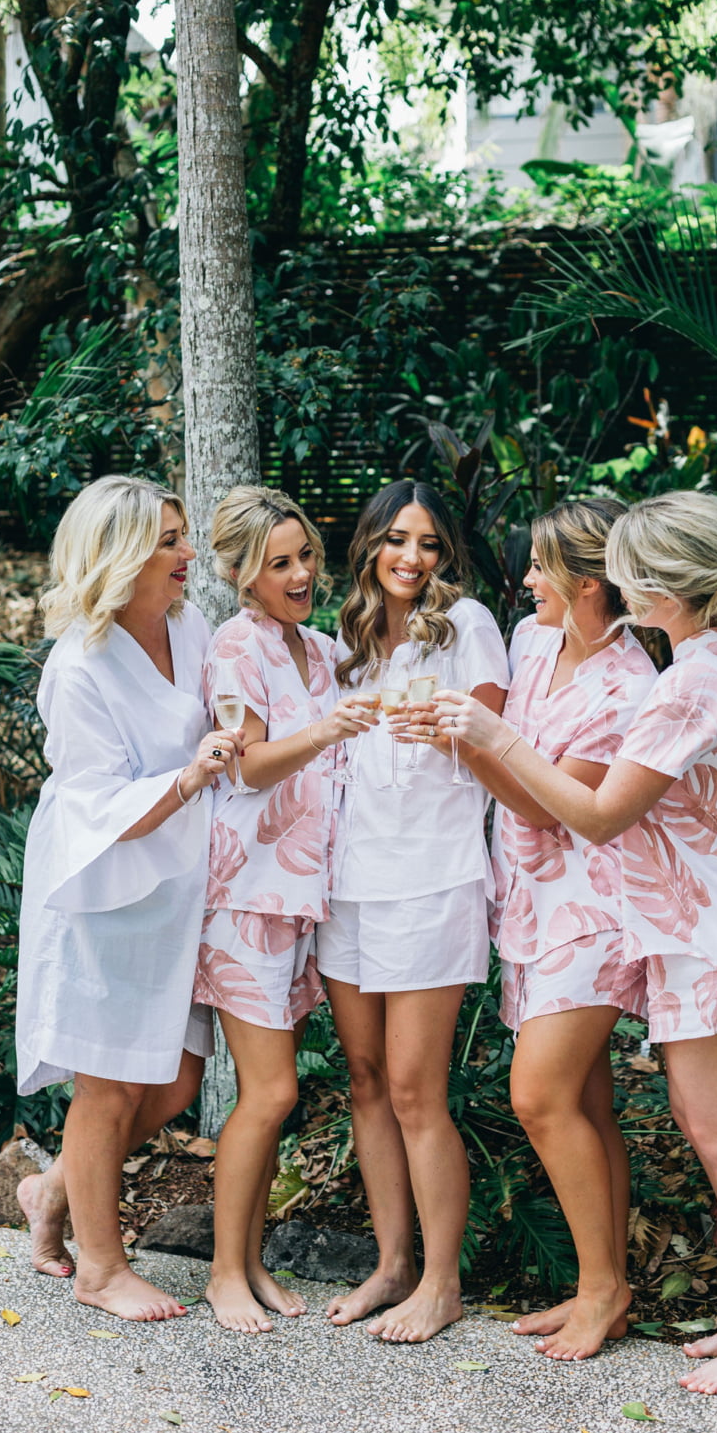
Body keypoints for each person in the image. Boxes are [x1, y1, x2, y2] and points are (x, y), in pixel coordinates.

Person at [436, 490, 717, 1395]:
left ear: (666, 586)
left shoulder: (690, 682)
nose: (621, 582)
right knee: (714, 1127)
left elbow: (599, 816)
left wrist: (495, 737)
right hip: (712, 916)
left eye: (633, 571)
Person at [415, 499, 658, 1361]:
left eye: (540, 567)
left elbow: (551, 807)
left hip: (593, 912)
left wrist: (473, 742)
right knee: (586, 1100)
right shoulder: (530, 640)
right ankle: (607, 1287)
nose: (523, 580)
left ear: (588, 583)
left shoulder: (630, 687)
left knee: (539, 1094)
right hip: (528, 902)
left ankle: (601, 1289)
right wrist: (458, 735)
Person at [15, 475, 241, 1322]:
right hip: (105, 888)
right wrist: (188, 779)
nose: (188, 553)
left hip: (180, 885)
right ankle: (101, 1269)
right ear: (120, 555)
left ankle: (50, 1189)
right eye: (169, 540)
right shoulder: (80, 664)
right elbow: (94, 804)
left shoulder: (190, 625)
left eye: (183, 535)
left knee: (176, 1081)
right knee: (107, 1086)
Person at [316, 480, 509, 1343]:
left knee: (414, 1089)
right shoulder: (350, 641)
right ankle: (392, 1264)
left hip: (432, 878)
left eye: (428, 543)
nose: (412, 557)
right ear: (370, 545)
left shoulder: (467, 625)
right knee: (365, 1079)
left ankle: (442, 1281)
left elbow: (500, 743)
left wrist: (453, 732)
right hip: (348, 882)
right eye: (397, 539)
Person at [194, 486, 379, 1333]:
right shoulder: (236, 648)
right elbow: (246, 767)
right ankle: (222, 1272)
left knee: (271, 1094)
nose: (302, 573)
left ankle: (250, 1259)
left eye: (305, 555)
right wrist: (328, 730)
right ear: (242, 575)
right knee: (270, 1093)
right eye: (280, 563)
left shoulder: (321, 648)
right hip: (246, 897)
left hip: (302, 900)